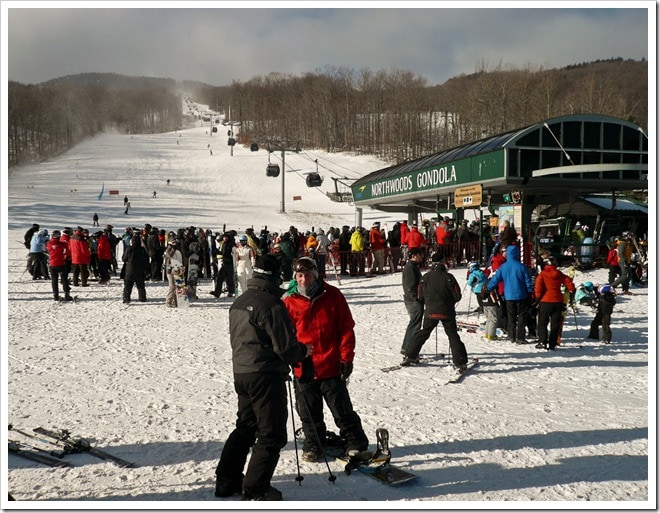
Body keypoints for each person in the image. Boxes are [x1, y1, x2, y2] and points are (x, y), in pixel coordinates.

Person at [214, 254, 311, 501]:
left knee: (245, 426)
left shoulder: (240, 300)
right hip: (265, 374)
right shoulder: (270, 303)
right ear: (275, 275)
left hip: (243, 371)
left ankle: (227, 480)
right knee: (271, 433)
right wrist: (303, 351)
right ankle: (255, 488)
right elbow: (286, 349)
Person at [283, 257, 369, 462]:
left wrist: (346, 358)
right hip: (304, 366)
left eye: (308, 275)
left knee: (342, 409)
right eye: (300, 276)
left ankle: (354, 442)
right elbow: (284, 335)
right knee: (309, 412)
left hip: (331, 364)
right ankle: (314, 443)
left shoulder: (332, 295)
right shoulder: (288, 300)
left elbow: (346, 328)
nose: (304, 280)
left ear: (316, 274)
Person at [402, 252, 468, 371]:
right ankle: (460, 361)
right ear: (443, 263)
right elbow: (457, 296)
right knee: (452, 335)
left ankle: (410, 355)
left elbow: (420, 295)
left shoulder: (425, 277)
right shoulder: (448, 277)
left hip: (431, 312)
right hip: (447, 311)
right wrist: (450, 302)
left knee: (423, 333)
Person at [484, 244, 533, 344]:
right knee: (522, 316)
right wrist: (530, 293)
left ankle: (511, 335)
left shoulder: (503, 267)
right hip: (522, 295)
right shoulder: (522, 267)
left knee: (511, 316)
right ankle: (520, 337)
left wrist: (488, 289)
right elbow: (528, 282)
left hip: (509, 296)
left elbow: (495, 280)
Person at [533, 256, 576, 350]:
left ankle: (542, 341)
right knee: (555, 323)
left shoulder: (543, 274)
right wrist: (571, 290)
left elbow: (538, 287)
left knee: (542, 322)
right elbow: (569, 283)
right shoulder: (559, 274)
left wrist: (537, 298)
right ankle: (552, 343)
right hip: (557, 301)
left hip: (545, 300)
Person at [400, 247, 425, 355]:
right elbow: (410, 285)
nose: (422, 256)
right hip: (413, 300)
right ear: (414, 255)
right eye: (420, 254)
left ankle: (407, 348)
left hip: (414, 299)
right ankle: (409, 350)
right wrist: (416, 298)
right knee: (415, 325)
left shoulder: (413, 266)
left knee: (414, 324)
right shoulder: (410, 267)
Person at [46, 230, 73, 301]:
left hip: (52, 264)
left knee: (54, 280)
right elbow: (67, 251)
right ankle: (67, 294)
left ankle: (55, 295)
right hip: (61, 263)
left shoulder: (48, 243)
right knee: (64, 279)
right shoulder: (62, 244)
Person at [122, 235, 149, 304]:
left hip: (130, 270)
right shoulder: (142, 249)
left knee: (128, 286)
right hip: (140, 270)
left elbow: (124, 258)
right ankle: (142, 297)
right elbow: (146, 260)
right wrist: (146, 269)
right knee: (140, 286)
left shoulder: (129, 249)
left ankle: (126, 298)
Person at [211, 232, 237, 298]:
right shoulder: (224, 244)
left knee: (229, 279)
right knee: (220, 277)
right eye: (224, 237)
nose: (224, 238)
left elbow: (230, 254)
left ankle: (231, 291)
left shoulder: (231, 244)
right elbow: (223, 253)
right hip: (224, 263)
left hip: (230, 264)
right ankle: (217, 292)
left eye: (226, 237)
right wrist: (217, 252)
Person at [163, 237, 183, 308]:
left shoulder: (177, 251)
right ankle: (168, 301)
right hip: (170, 270)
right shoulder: (169, 249)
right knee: (172, 286)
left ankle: (175, 302)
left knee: (177, 286)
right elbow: (169, 256)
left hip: (176, 269)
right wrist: (173, 248)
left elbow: (179, 259)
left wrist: (181, 267)